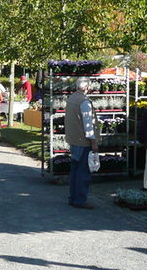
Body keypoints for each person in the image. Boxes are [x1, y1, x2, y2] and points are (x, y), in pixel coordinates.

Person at [66, 77, 99, 209]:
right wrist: (94, 142)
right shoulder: (84, 102)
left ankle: (73, 197)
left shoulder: (71, 99)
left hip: (73, 139)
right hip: (82, 141)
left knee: (74, 170)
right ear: (86, 87)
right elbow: (88, 125)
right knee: (83, 172)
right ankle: (80, 199)